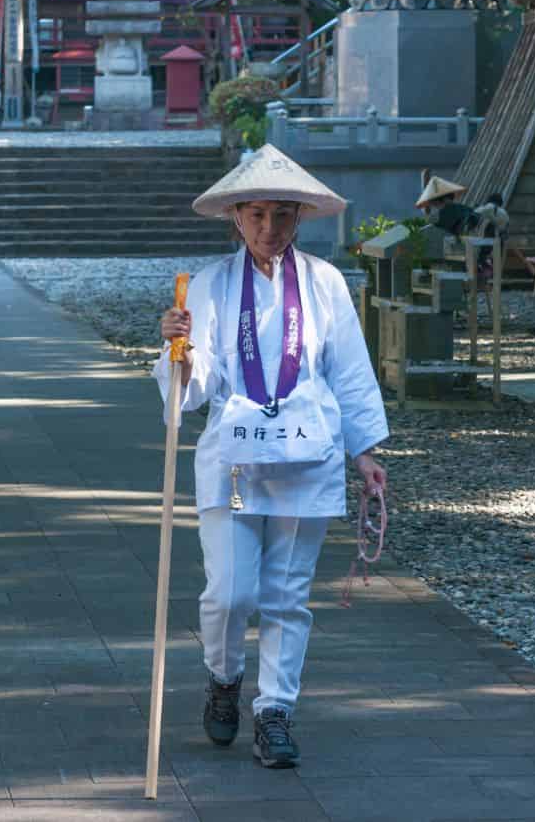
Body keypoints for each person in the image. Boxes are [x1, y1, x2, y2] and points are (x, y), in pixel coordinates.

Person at [155, 145, 389, 769]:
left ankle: (276, 710)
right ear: (236, 216)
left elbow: (348, 369)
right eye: (255, 214)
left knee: (286, 593)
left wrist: (363, 450)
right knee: (230, 591)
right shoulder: (206, 287)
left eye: (281, 215)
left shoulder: (325, 283)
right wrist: (180, 350)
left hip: (307, 455)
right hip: (237, 462)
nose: (268, 229)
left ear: (299, 218)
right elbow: (197, 386)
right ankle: (224, 676)